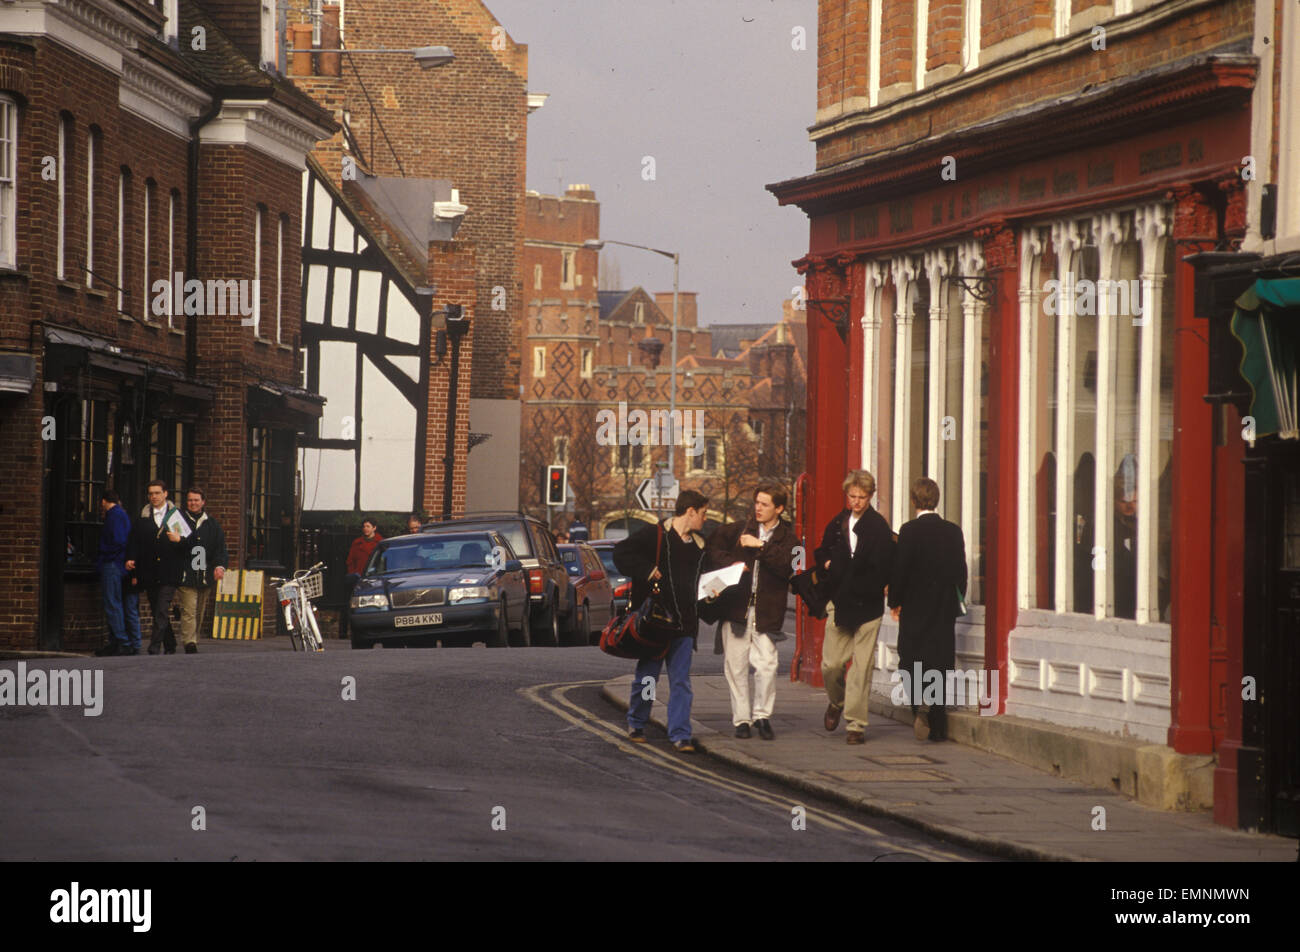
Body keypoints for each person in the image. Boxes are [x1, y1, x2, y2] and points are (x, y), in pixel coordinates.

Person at [613, 490, 709, 753]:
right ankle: (638, 722)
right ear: (690, 511)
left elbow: (707, 580)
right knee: (648, 678)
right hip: (655, 623)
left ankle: (680, 734)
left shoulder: (700, 546)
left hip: (685, 625)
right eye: (703, 513)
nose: (705, 518)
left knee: (681, 681)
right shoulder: (654, 535)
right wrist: (645, 570)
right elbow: (621, 553)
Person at [704, 484, 797, 740]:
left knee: (767, 665)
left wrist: (760, 547)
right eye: (757, 502)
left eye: (765, 504)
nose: (758, 508)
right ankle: (742, 719)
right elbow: (711, 550)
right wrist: (730, 563)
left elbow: (789, 566)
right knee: (735, 667)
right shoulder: (737, 530)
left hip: (767, 613)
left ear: (779, 508)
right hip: (736, 610)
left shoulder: (788, 538)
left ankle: (762, 716)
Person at [814, 470, 894, 744]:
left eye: (862, 497)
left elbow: (884, 567)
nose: (856, 502)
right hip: (840, 602)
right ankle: (836, 702)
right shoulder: (838, 523)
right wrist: (827, 564)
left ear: (870, 497)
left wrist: (871, 585)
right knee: (831, 665)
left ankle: (856, 725)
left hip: (868, 606)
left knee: (861, 668)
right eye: (852, 496)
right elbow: (822, 550)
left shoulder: (879, 527)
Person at [888, 477, 967, 742]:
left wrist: (894, 601)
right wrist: (957, 599)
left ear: (913, 501)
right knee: (940, 661)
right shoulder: (954, 531)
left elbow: (900, 570)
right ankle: (938, 721)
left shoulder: (909, 531)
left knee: (910, 657)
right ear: (937, 500)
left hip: (915, 605)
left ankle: (918, 700)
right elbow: (961, 572)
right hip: (943, 606)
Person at [125, 480, 188, 655]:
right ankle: (170, 644)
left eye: (157, 493)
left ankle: (154, 647)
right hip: (149, 571)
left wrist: (179, 540)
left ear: (165, 494)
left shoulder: (176, 516)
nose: (154, 497)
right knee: (156, 609)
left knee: (161, 609)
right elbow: (134, 541)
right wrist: (131, 558)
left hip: (170, 571)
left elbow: (189, 542)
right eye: (151, 493)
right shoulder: (143, 517)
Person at [176, 487, 228, 655]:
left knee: (199, 610)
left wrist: (219, 566)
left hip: (205, 575)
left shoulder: (212, 524)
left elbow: (220, 549)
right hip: (186, 574)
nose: (193, 503)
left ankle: (194, 637)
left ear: (203, 502)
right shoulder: (180, 521)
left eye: (196, 500)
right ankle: (189, 642)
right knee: (189, 609)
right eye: (190, 500)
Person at [94, 489, 141, 656]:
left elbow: (119, 541)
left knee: (112, 603)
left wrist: (106, 555)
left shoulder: (114, 516)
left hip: (112, 564)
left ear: (104, 501)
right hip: (116, 564)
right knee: (116, 604)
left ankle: (122, 641)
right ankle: (118, 641)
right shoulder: (120, 515)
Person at [340, 517, 383, 639]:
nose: (365, 529)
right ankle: (346, 632)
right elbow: (350, 561)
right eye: (364, 526)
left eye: (368, 526)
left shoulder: (379, 543)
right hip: (358, 578)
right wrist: (353, 573)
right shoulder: (357, 543)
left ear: (374, 528)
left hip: (374, 578)